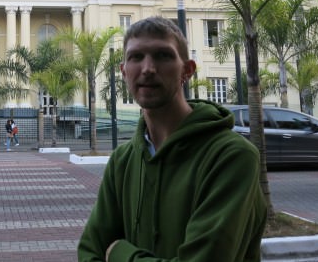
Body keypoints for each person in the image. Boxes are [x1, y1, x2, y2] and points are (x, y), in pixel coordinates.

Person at [78, 16, 267, 262]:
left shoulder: (231, 156)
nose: (147, 68)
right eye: (136, 57)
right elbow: (90, 251)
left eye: (163, 56)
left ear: (187, 70)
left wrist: (119, 253)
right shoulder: (123, 161)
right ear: (124, 72)